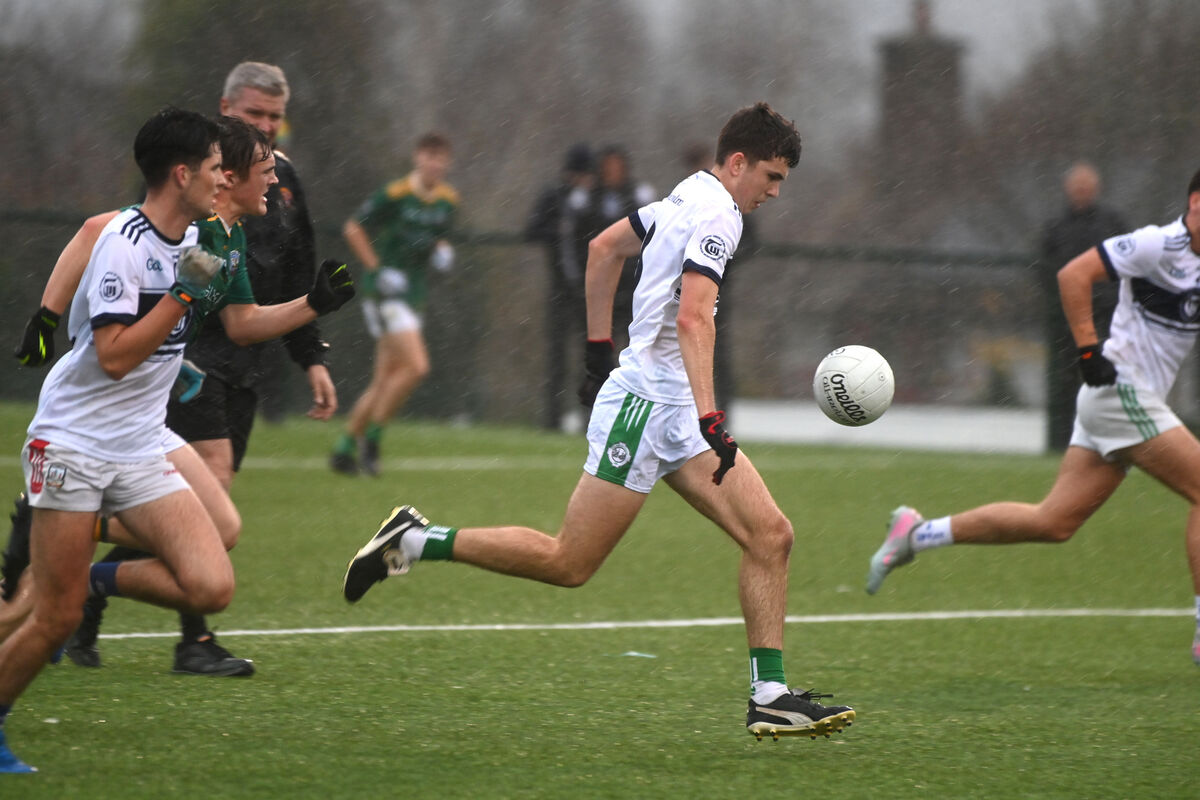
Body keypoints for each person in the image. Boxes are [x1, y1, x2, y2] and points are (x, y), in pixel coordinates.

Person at [341, 103, 857, 741]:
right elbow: (695, 318)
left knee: (771, 535)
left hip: (671, 408)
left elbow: (604, 247)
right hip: (647, 410)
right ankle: (413, 541)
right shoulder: (720, 214)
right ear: (738, 162)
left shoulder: (685, 195)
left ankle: (771, 694)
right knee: (569, 562)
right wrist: (709, 415)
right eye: (772, 177)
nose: (775, 193)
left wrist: (595, 348)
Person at [0, 108, 354, 773]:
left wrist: (313, 306)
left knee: (210, 583)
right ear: (183, 173)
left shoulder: (200, 239)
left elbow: (236, 317)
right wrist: (179, 300)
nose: (225, 179)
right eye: (219, 167)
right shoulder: (126, 246)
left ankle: (80, 563)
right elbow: (111, 357)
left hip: (136, 445)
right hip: (74, 441)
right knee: (52, 616)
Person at [866, 167, 1200, 669]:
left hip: (1127, 406)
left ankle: (916, 534)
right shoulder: (1158, 245)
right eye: (1199, 207)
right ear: (1190, 203)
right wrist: (1089, 351)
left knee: (1054, 522)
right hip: (1118, 393)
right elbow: (1073, 273)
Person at [330, 132, 460, 476]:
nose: (434, 164)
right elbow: (353, 228)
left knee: (385, 378)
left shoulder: (448, 200)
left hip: (413, 294)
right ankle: (371, 440)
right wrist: (378, 269)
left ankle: (344, 448)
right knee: (417, 367)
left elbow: (438, 236)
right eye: (428, 156)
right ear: (417, 158)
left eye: (440, 158)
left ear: (447, 162)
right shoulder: (395, 194)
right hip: (385, 293)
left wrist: (442, 250)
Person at [1039, 162, 1127, 450]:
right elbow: (1043, 268)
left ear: (1096, 189)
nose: (1081, 192)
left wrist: (1109, 299)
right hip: (1065, 319)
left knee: (1104, 379)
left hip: (1105, 316)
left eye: (1086, 187)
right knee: (1064, 382)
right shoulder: (1055, 227)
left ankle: (1106, 440)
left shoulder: (1113, 223)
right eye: (1077, 187)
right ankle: (1063, 443)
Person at [524, 143, 596, 431]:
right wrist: (558, 230)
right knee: (557, 356)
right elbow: (531, 231)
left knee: (591, 357)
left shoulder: (594, 200)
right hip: (560, 288)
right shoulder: (554, 196)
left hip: (590, 289)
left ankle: (589, 419)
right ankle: (552, 419)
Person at [577, 145, 657, 349]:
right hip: (600, 281)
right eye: (607, 167)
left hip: (632, 284)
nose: (613, 171)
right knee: (598, 343)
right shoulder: (586, 200)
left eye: (617, 166)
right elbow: (579, 240)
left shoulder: (640, 196)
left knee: (634, 344)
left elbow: (653, 238)